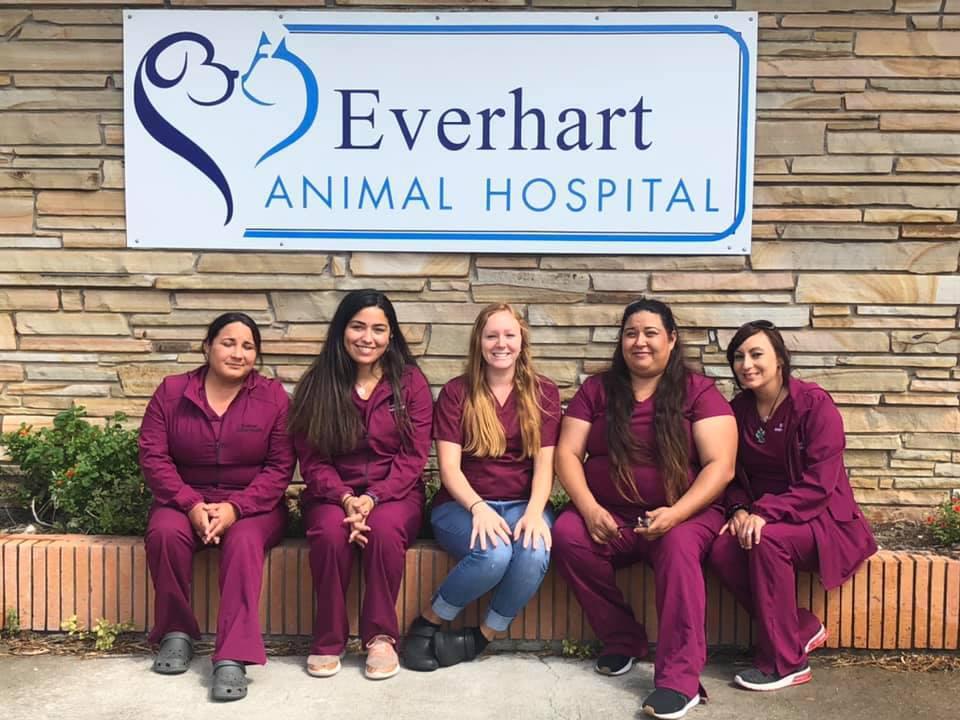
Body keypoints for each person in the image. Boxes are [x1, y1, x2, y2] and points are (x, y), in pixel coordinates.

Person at [551, 298, 737, 720]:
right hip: (612, 515)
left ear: (671, 339)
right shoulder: (597, 390)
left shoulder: (697, 391)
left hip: (685, 514)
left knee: (677, 547)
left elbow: (720, 466)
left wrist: (676, 513)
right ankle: (623, 639)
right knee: (567, 535)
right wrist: (589, 508)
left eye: (651, 333)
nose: (640, 342)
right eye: (631, 333)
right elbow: (567, 453)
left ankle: (679, 681)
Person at [707, 320, 877, 691]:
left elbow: (820, 485)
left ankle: (786, 663)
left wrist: (763, 513)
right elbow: (730, 474)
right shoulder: (738, 410)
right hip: (763, 516)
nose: (746, 364)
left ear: (780, 359)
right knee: (721, 549)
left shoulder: (814, 405)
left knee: (767, 541)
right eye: (738, 357)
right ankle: (799, 628)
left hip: (821, 520)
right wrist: (738, 510)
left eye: (756, 354)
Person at [140, 312, 295, 702]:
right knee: (164, 533)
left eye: (248, 346)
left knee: (243, 542)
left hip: (255, 506)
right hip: (183, 499)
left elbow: (280, 468)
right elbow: (154, 458)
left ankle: (232, 654)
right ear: (207, 346)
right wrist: (191, 503)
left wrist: (235, 508)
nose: (238, 353)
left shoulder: (273, 397)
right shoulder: (172, 392)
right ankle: (175, 632)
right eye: (228, 343)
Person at [403, 303, 561, 671]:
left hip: (523, 503)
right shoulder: (457, 393)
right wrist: (479, 509)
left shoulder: (544, 393)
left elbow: (545, 466)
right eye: (492, 336)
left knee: (534, 551)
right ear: (479, 341)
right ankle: (427, 622)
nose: (500, 343)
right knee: (493, 555)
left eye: (509, 335)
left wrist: (535, 512)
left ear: (522, 341)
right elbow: (449, 469)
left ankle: (481, 636)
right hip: (462, 505)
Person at [290, 289, 432, 681]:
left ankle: (381, 637)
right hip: (331, 494)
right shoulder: (317, 383)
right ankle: (328, 638)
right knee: (330, 535)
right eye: (357, 327)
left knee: (384, 531)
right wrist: (346, 498)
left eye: (378, 329)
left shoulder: (411, 383)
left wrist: (372, 497)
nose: (367, 338)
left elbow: (413, 456)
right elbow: (313, 460)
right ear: (342, 330)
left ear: (391, 335)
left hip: (395, 494)